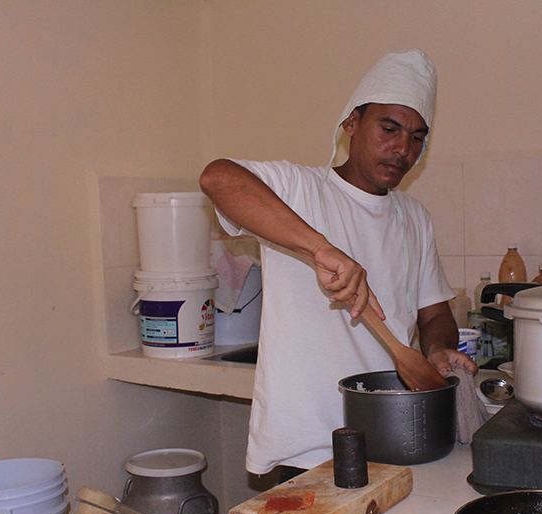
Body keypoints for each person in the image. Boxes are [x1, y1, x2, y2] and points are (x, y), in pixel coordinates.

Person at [199, 49, 477, 478]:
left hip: (392, 441)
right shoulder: (299, 190)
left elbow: (435, 312)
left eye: (417, 137)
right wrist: (319, 248)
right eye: (389, 128)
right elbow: (217, 177)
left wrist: (437, 349)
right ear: (352, 123)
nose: (403, 148)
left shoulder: (413, 217)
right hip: (308, 449)